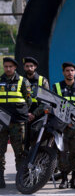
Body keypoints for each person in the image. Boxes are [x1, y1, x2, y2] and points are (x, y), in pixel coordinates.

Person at [53, 62, 75, 189]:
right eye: (67, 70)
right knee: (62, 153)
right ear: (63, 72)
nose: (70, 73)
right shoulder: (56, 87)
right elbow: (54, 106)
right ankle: (64, 179)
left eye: (72, 70)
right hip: (62, 127)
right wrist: (64, 121)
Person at [0, 57, 32, 188]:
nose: (7, 69)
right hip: (1, 122)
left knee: (20, 152)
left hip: (17, 123)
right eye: (5, 66)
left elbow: (29, 100)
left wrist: (19, 111)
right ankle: (0, 179)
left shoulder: (23, 81)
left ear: (15, 68)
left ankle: (21, 179)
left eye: (10, 67)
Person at [22, 57, 50, 150]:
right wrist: (26, 113)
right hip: (24, 116)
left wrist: (34, 114)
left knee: (38, 144)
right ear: (24, 67)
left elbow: (46, 101)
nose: (29, 68)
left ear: (35, 67)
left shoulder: (42, 81)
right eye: (27, 66)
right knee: (23, 144)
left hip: (39, 116)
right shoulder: (20, 80)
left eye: (31, 66)